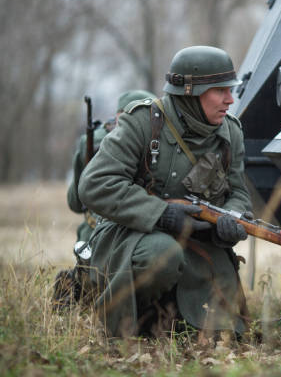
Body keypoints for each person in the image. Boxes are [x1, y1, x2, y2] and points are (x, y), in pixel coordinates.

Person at [78, 46, 252, 338]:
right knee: (162, 254)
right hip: (130, 235)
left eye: (230, 90)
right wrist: (162, 213)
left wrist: (231, 218)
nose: (229, 100)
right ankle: (137, 320)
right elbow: (94, 185)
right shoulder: (143, 121)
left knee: (222, 335)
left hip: (198, 242)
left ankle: (176, 318)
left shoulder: (230, 132)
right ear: (190, 92)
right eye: (219, 90)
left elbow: (238, 191)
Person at [67, 90, 156, 244]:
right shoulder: (157, 145)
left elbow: (75, 202)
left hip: (137, 233)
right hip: (99, 236)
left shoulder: (95, 140)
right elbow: (76, 200)